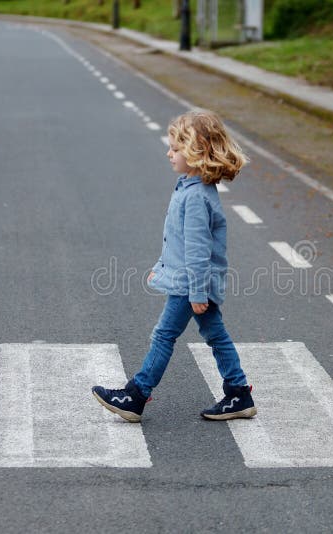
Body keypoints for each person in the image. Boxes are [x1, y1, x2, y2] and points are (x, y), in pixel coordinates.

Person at [92, 109, 257, 423]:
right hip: (191, 280)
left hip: (191, 283)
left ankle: (136, 395)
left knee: (164, 335)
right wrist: (162, 267)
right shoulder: (190, 186)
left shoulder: (195, 197)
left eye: (175, 148)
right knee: (215, 335)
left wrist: (197, 292)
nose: (169, 153)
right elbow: (179, 243)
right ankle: (238, 393)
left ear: (196, 152)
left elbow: (197, 251)